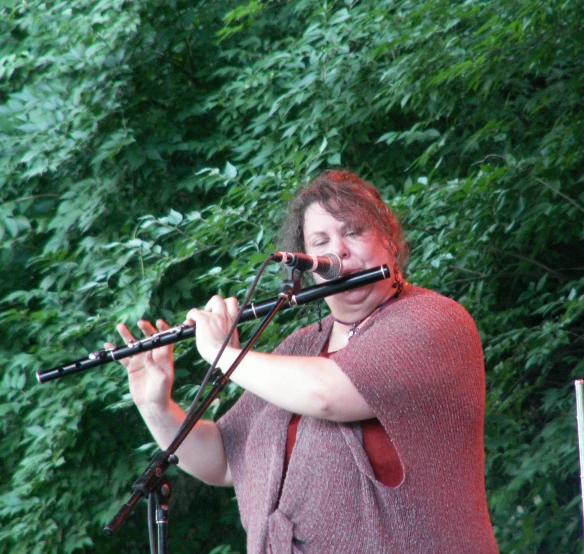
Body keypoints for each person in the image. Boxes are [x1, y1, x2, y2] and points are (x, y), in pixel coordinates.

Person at [113, 170, 499, 553]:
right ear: (308, 263)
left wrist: (223, 354)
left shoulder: (432, 320)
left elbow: (328, 394)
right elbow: (224, 460)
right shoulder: (300, 347)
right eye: (321, 241)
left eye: (353, 231)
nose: (339, 252)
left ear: (390, 242)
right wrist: (155, 404)